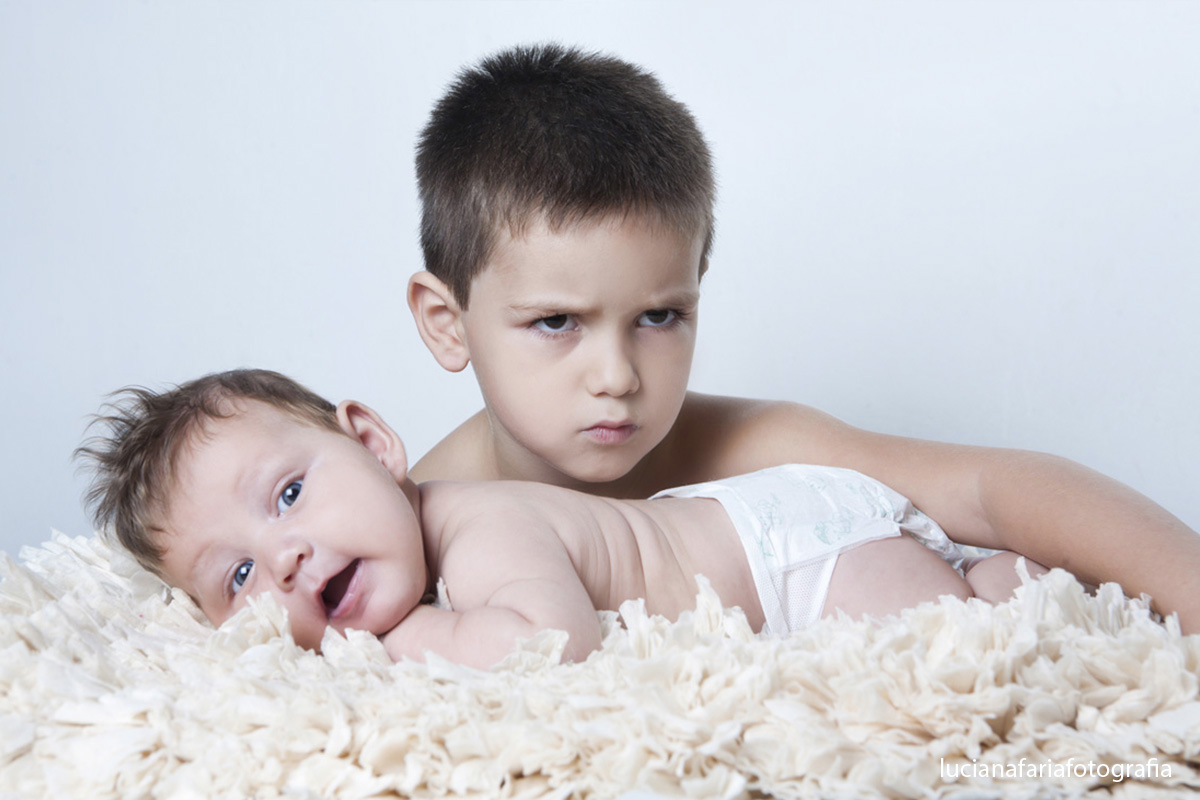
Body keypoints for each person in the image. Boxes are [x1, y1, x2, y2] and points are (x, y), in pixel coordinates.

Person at [406, 43, 1200, 634]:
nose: (616, 376)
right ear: (448, 325)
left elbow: (993, 488)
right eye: (556, 323)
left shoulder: (748, 445)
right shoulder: (418, 518)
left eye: (658, 317)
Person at [79, 369, 1047, 669]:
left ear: (374, 444)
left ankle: (994, 584)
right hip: (769, 531)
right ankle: (995, 573)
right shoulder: (416, 542)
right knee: (976, 592)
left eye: (288, 494)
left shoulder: (477, 525)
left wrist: (413, 635)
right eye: (237, 576)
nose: (283, 556)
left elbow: (550, 642)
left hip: (801, 556)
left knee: (931, 658)